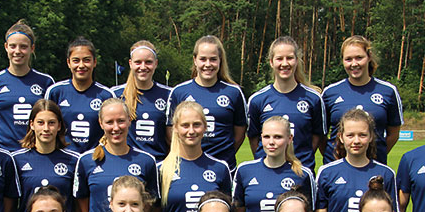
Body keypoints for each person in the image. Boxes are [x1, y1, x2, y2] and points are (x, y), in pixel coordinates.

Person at [312, 108, 399, 212]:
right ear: (340, 137)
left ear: (371, 136)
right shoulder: (327, 172)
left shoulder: (385, 174)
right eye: (350, 135)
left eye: (362, 135)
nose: (356, 141)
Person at [74, 98, 160, 212]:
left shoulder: (146, 161)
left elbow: (150, 207)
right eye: (109, 122)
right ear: (101, 123)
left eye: (120, 121)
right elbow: (83, 205)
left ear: (129, 121)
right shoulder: (87, 161)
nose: (116, 128)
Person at [159, 100, 232, 212]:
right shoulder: (162, 169)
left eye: (196, 124)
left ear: (205, 127)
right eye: (185, 125)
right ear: (176, 129)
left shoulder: (220, 168)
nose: (191, 131)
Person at [166, 36, 247, 172]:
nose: (208, 64)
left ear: (220, 61)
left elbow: (239, 134)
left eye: (213, 59)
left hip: (224, 167)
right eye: (203, 59)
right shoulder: (179, 92)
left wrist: (222, 155)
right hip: (187, 166)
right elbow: (170, 132)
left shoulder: (233, 92)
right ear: (195, 60)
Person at [234, 116, 315, 212]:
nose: (271, 142)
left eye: (278, 137)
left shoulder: (302, 174)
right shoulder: (245, 171)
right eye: (267, 137)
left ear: (289, 138)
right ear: (261, 138)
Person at [247, 36, 325, 172]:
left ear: (297, 61)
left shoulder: (313, 98)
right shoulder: (257, 100)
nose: (284, 63)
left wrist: (301, 160)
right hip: (267, 172)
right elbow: (254, 138)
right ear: (271, 62)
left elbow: (317, 136)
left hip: (300, 173)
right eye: (279, 59)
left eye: (289, 58)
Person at [321, 35, 402, 165]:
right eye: (348, 59)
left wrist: (374, 154)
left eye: (359, 57)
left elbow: (394, 134)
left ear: (369, 57)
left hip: (373, 168)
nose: (354, 64)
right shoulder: (330, 92)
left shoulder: (388, 91)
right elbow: (321, 136)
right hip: (336, 170)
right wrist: (335, 156)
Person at [11, 99, 79, 212]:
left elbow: (77, 209)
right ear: (32, 124)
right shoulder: (16, 160)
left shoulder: (74, 161)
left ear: (59, 126)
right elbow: (10, 208)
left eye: (52, 123)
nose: (46, 128)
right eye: (41, 122)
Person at [0, 20, 55, 151]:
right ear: (6, 47)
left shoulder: (46, 82)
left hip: (35, 153)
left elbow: (54, 120)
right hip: (3, 152)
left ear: (32, 48)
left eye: (23, 46)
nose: (17, 51)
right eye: (13, 46)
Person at [45, 37, 114, 153]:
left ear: (95, 62)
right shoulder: (55, 92)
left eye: (86, 60)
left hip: (95, 160)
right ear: (68, 63)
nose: (81, 65)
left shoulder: (106, 95)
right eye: (76, 60)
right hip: (63, 160)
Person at [112, 40, 171, 161]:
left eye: (148, 62)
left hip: (158, 164)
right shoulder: (116, 94)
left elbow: (172, 138)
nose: (143, 67)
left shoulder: (169, 95)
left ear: (156, 63)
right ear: (130, 63)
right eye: (138, 62)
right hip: (126, 163)